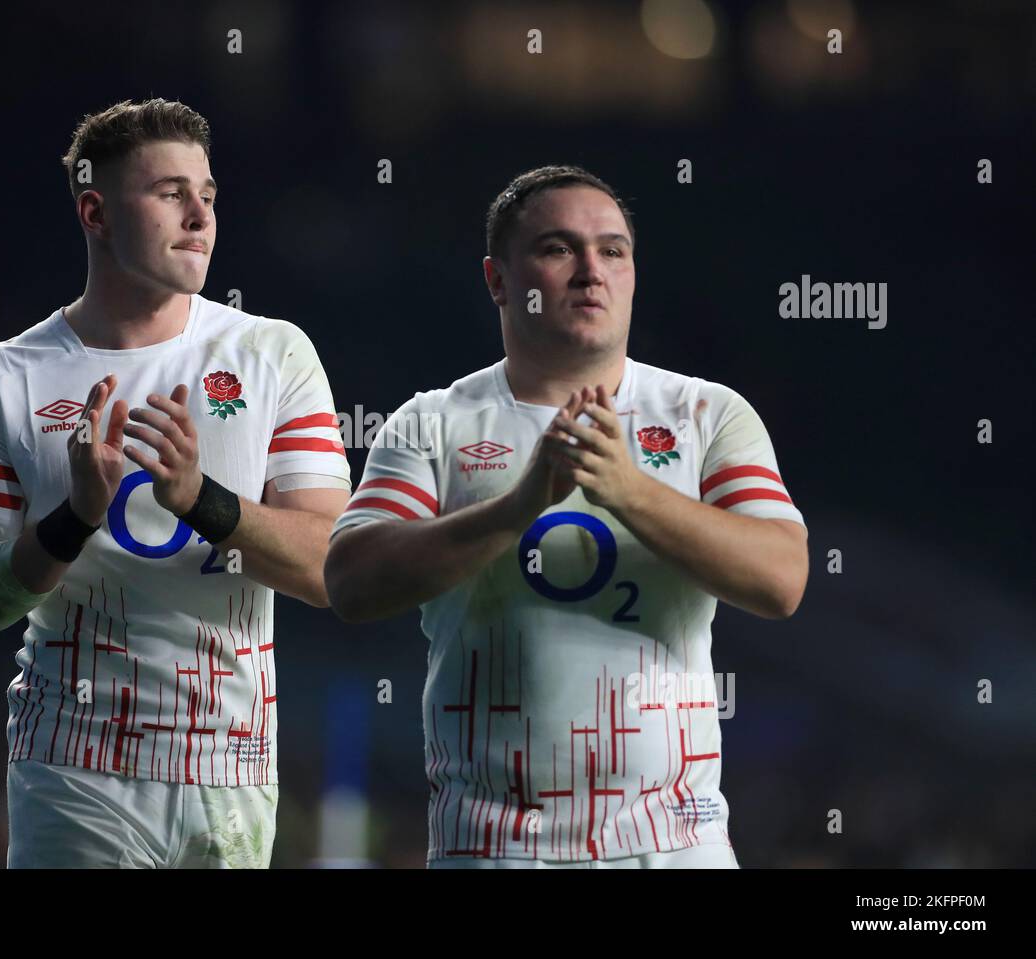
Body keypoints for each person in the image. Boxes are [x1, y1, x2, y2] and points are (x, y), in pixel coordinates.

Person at [325, 165, 808, 868]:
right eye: (558, 248)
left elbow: (782, 578)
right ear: (497, 279)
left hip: (674, 843)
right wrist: (517, 508)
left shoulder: (708, 414)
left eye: (612, 250)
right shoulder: (431, 423)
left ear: (634, 272)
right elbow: (351, 583)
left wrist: (630, 490)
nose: (591, 271)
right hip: (490, 846)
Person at [0, 98, 350, 868]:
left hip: (232, 770)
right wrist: (73, 518)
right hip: (73, 765)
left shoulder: (273, 354)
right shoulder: (3, 379)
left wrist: (205, 503)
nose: (199, 215)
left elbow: (334, 566)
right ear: (95, 210)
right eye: (169, 193)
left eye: (209, 194)